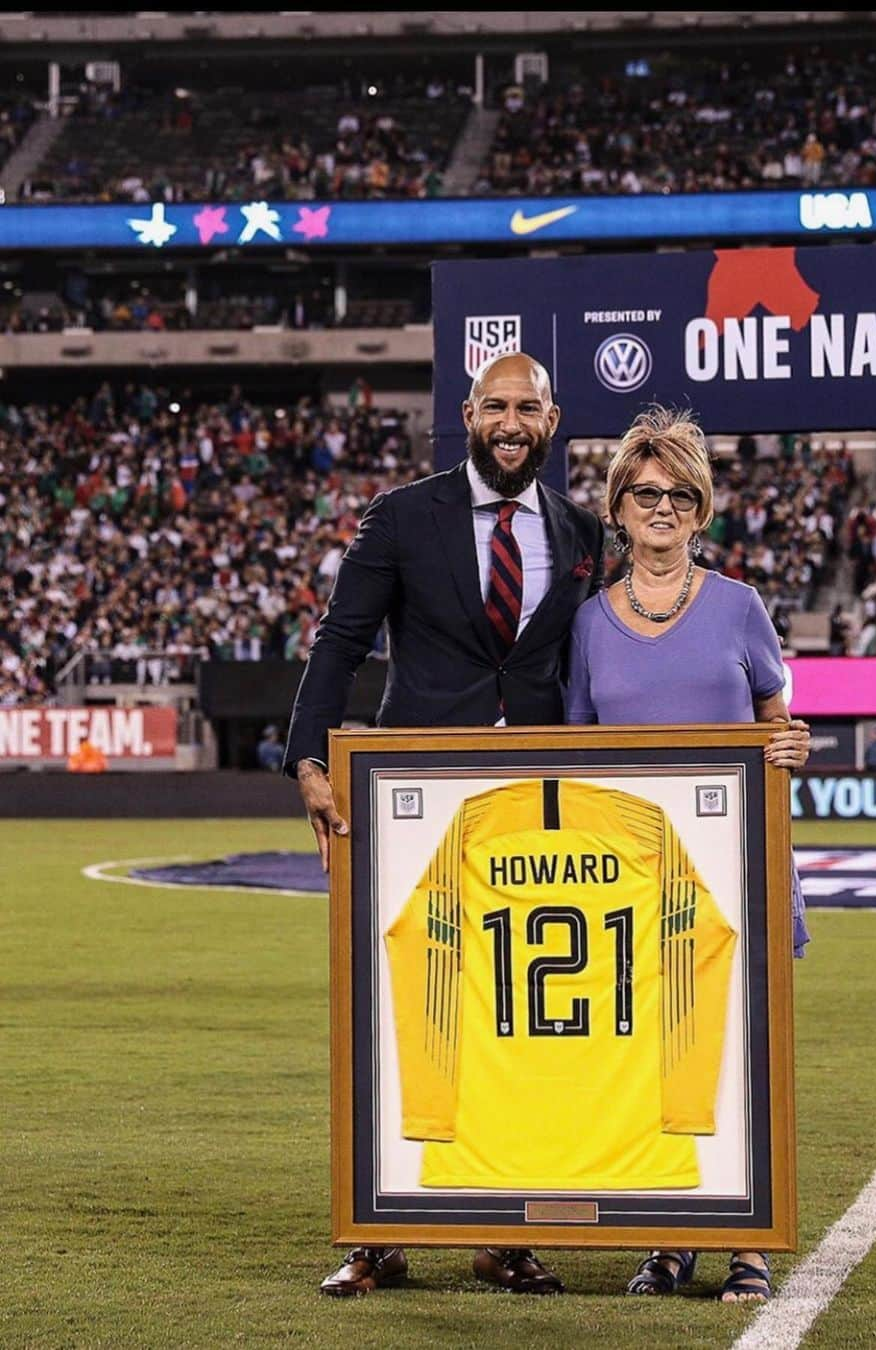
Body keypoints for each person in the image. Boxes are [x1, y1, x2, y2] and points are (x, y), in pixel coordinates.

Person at [284, 352, 605, 1298]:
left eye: (529, 408)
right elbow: (340, 640)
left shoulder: (582, 531)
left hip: (534, 815)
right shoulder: (402, 514)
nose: (512, 421)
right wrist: (309, 758)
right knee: (395, 1017)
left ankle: (505, 1231)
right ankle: (376, 1233)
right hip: (412, 799)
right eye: (497, 405)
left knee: (518, 1023)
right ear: (468, 413)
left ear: (552, 420)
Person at [564, 405, 810, 1305]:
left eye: (678, 495)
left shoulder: (741, 607)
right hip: (636, 884)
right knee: (652, 1065)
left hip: (738, 876)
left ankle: (749, 1244)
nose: (661, 508)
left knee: (742, 1062)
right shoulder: (590, 624)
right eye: (644, 493)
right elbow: (577, 762)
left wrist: (790, 746)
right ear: (619, 508)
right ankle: (670, 1240)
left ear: (700, 511)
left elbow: (778, 724)